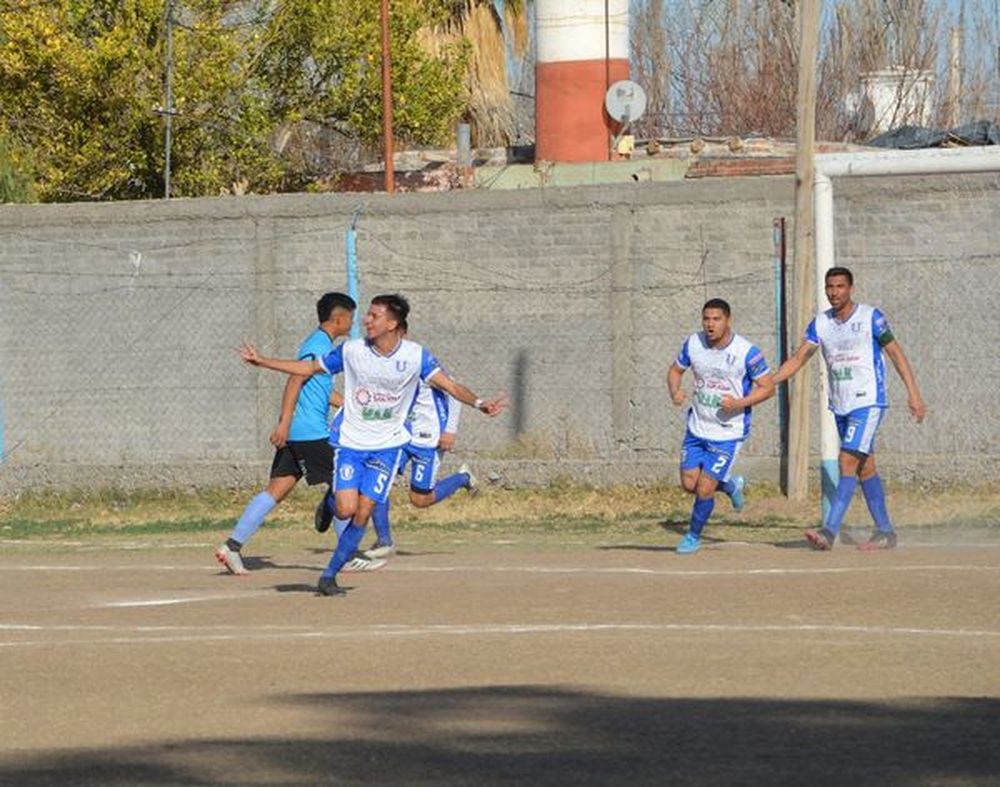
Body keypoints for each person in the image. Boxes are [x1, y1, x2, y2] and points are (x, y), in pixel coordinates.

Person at [236, 294, 506, 596]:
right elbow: (308, 369)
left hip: (387, 447)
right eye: (367, 314)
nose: (367, 320)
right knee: (345, 508)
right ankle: (330, 503)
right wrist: (262, 362)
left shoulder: (416, 356)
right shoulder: (352, 351)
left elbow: (452, 386)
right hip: (351, 443)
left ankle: (328, 577)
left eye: (374, 316)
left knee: (362, 513)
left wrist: (481, 404)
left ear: (392, 323)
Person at [773, 266, 925, 551]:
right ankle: (885, 532)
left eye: (840, 286)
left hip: (868, 401)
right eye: (830, 287)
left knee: (846, 462)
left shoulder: (871, 318)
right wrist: (769, 381)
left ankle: (829, 531)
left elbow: (896, 353)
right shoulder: (820, 324)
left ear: (850, 288)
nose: (834, 292)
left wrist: (913, 392)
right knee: (865, 467)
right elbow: (798, 358)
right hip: (841, 405)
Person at [216, 292, 356, 575]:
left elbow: (322, 392)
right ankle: (348, 554)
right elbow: (295, 379)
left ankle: (231, 547)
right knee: (344, 484)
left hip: (299, 432)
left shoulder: (320, 344)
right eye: (350, 319)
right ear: (339, 319)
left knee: (275, 491)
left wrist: (355, 407)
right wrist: (283, 422)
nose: (352, 324)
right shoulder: (318, 345)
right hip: (309, 432)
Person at [666, 298, 774, 554]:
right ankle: (730, 485)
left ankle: (692, 536)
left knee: (704, 488)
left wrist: (739, 403)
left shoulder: (747, 352)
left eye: (716, 319)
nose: (710, 324)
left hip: (727, 433)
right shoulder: (694, 343)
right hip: (697, 428)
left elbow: (768, 387)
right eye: (706, 319)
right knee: (689, 484)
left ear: (728, 321)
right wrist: (675, 391)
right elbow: (674, 371)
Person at [364, 352, 478, 560]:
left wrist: (450, 430)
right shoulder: (381, 367)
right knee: (377, 482)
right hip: (400, 436)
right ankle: (384, 540)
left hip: (429, 439)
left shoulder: (419, 361)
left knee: (420, 500)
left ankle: (463, 478)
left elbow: (454, 390)